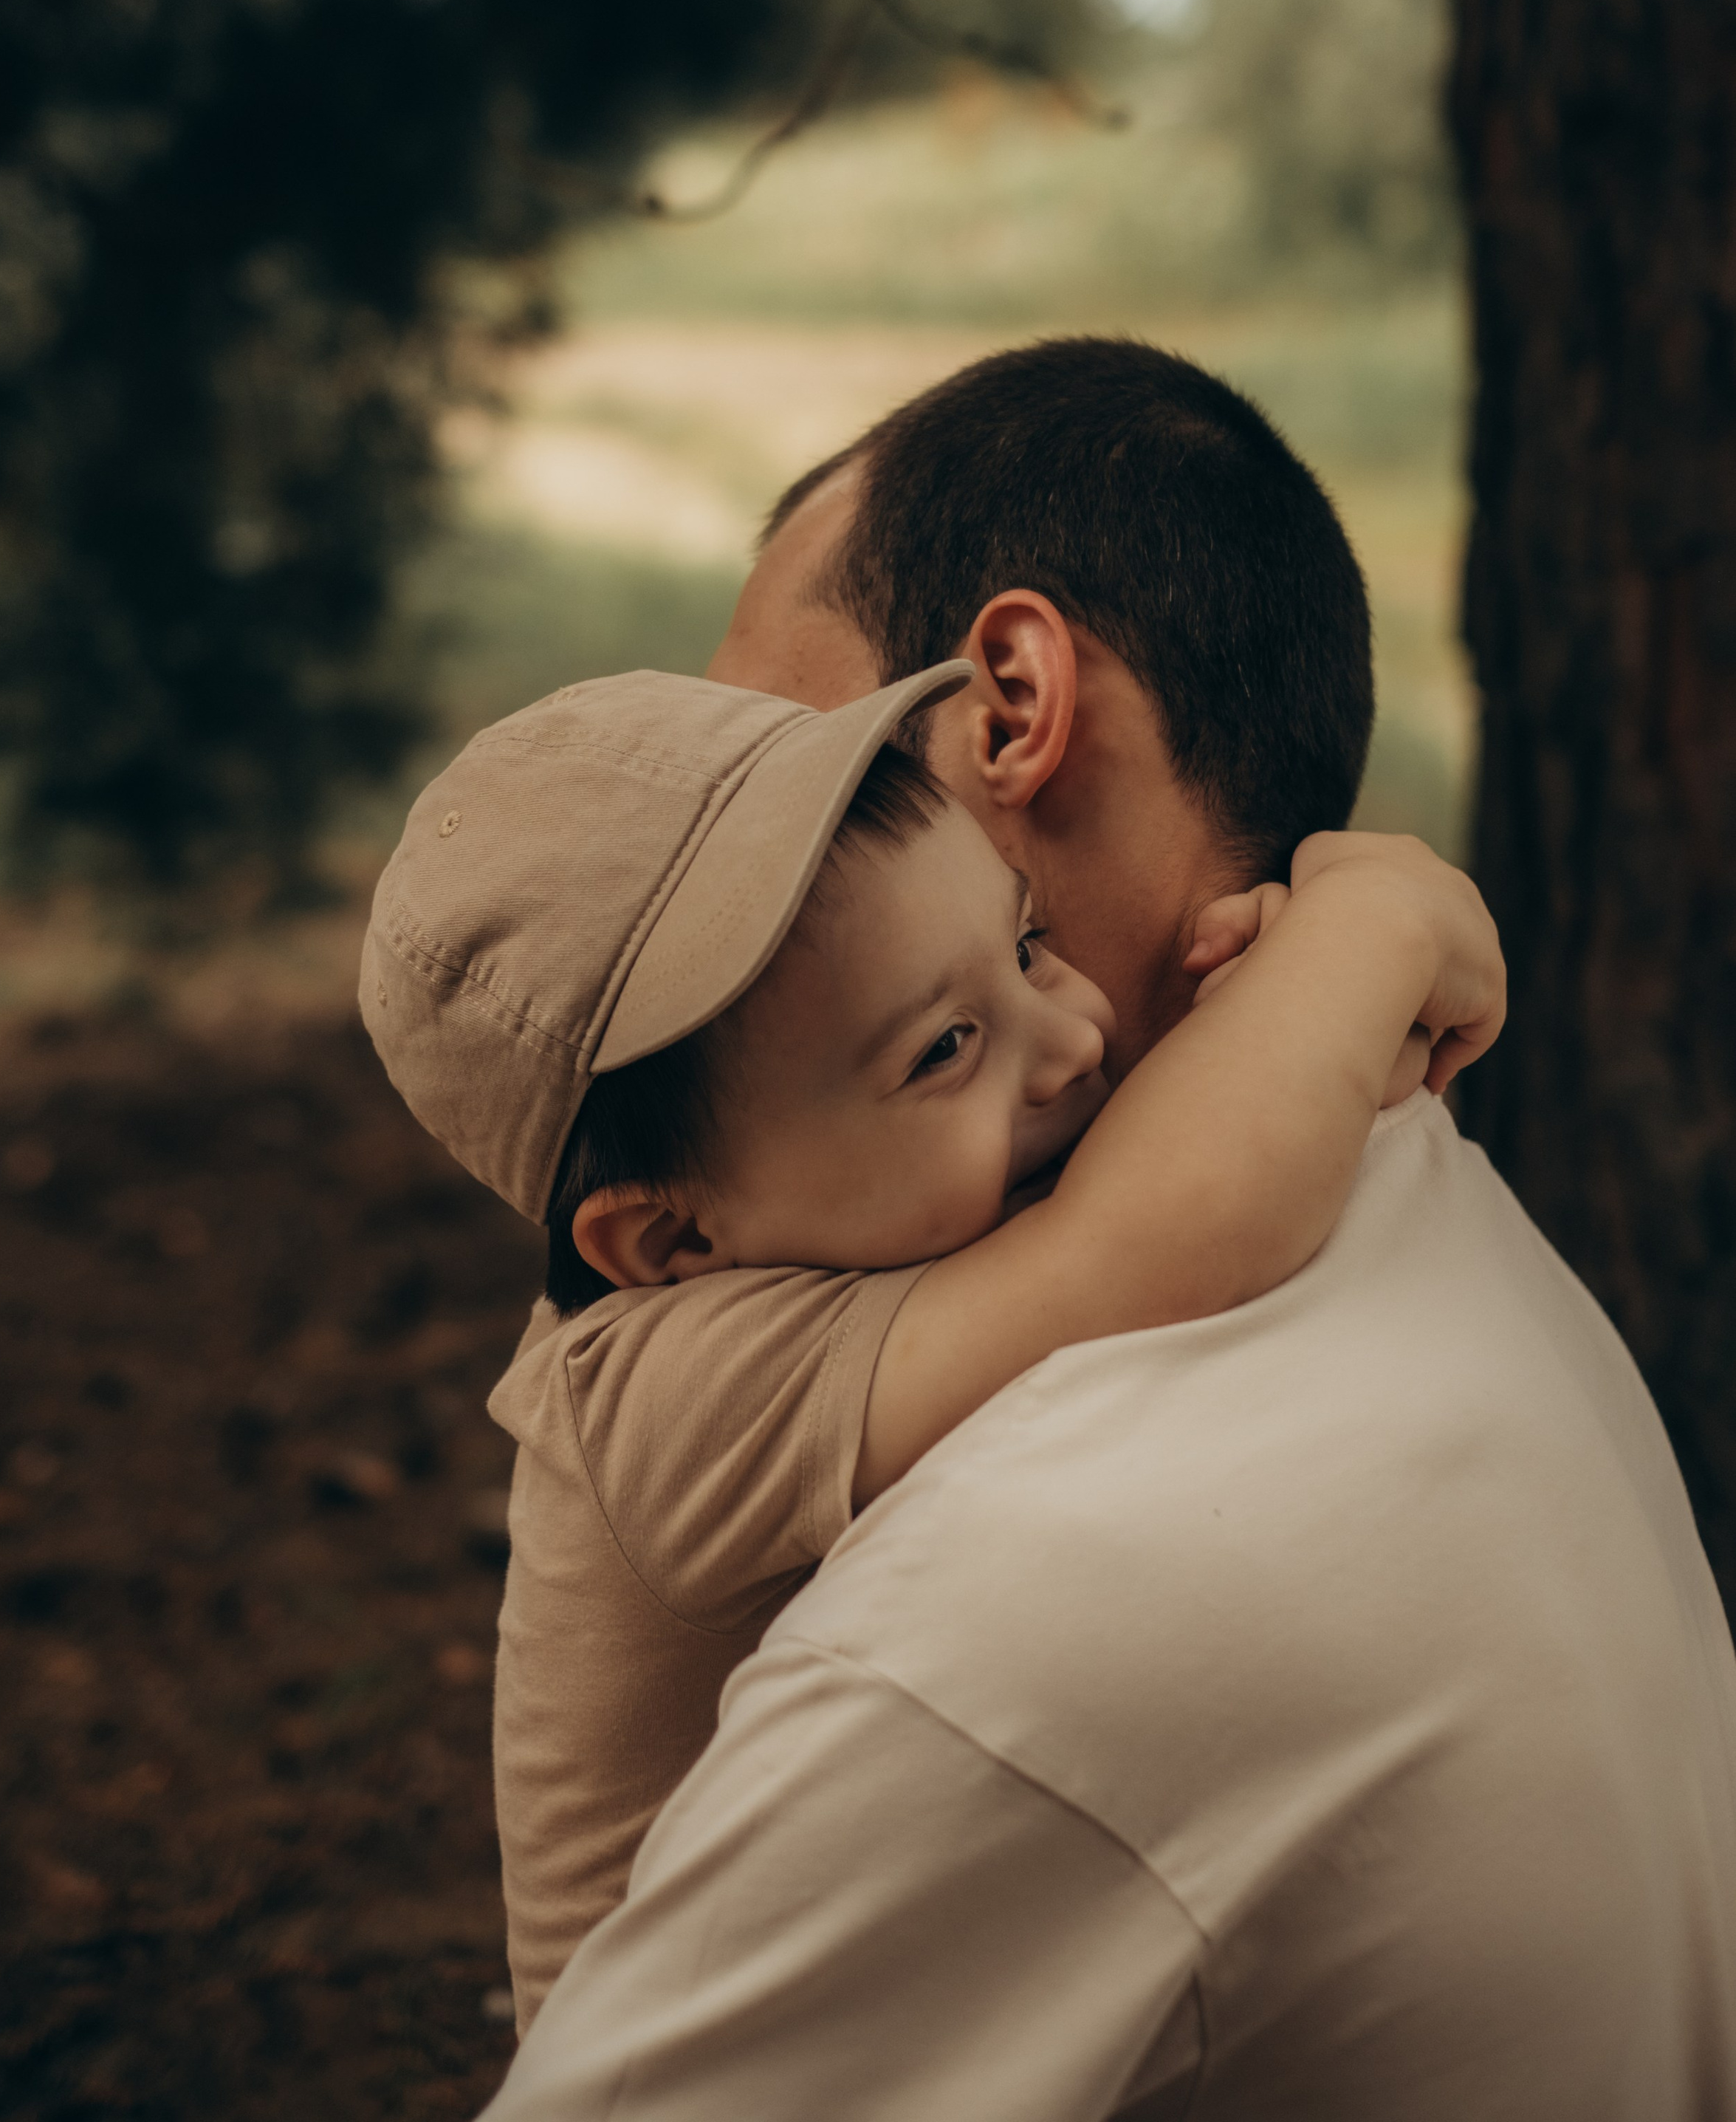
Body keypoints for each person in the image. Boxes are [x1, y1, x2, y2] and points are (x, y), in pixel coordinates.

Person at [485, 338, 1736, 2118]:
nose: (721, 847)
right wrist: (1379, 917)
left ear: (1007, 704)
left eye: (778, 761)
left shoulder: (1035, 1607)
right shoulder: (1417, 1199)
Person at [362, 659, 1502, 2030]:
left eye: (1025, 945)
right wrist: (1370, 929)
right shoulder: (657, 1396)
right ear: (670, 1245)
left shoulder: (845, 1215)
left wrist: (1273, 1005)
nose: (1077, 1034)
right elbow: (1179, 1227)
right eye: (947, 1047)